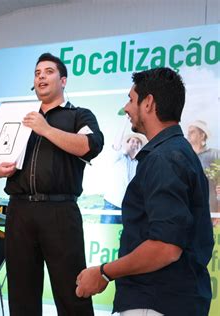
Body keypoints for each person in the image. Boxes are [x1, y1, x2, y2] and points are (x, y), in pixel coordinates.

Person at [75, 68, 214, 316]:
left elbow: (166, 247)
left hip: (155, 301)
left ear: (148, 103)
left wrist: (104, 272)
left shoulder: (165, 159)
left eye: (131, 99)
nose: (127, 108)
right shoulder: (179, 154)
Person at [0, 53, 104, 315]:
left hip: (60, 212)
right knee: (21, 294)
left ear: (63, 80)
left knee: (72, 292)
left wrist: (46, 129)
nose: (41, 76)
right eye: (37, 72)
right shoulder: (19, 117)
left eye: (48, 71)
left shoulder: (79, 115)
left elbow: (90, 146)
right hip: (19, 211)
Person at [102, 130, 147, 224]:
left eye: (138, 142)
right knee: (108, 234)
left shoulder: (141, 163)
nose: (135, 144)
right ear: (127, 143)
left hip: (131, 206)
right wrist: (125, 121)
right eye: (133, 141)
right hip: (112, 204)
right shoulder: (118, 157)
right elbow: (116, 145)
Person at [187, 120, 220, 225]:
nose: (188, 135)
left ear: (202, 135)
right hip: (188, 213)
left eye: (192, 132)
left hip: (211, 212)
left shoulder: (215, 155)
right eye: (188, 132)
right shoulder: (184, 157)